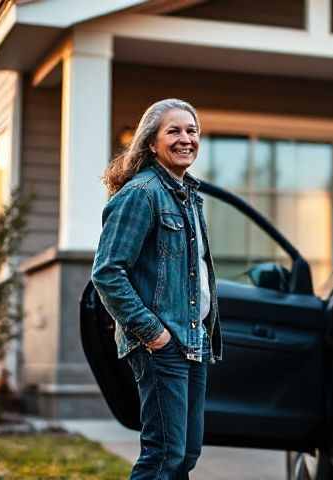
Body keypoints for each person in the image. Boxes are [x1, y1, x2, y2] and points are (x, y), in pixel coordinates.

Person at [91, 98, 223, 479]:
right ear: (151, 142)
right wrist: (154, 334)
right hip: (163, 344)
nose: (186, 139)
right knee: (164, 455)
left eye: (192, 130)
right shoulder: (142, 193)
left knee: (186, 454)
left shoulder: (188, 197)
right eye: (174, 131)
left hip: (193, 341)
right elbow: (107, 272)